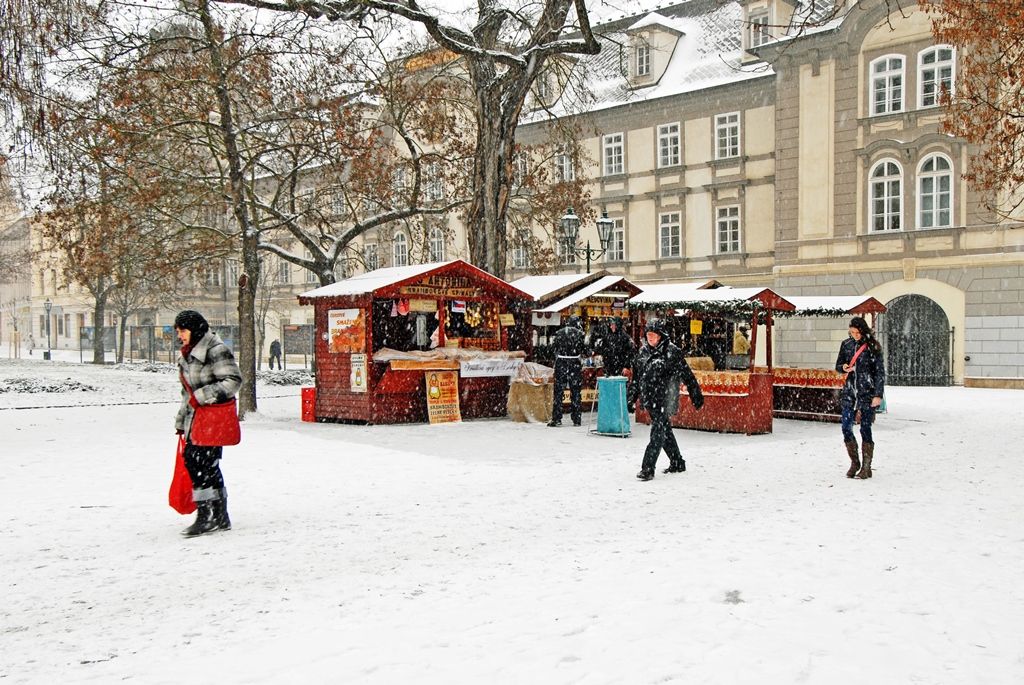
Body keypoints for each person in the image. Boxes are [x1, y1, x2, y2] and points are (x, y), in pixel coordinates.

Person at [174, 310, 242, 537]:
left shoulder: (215, 350)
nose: (179, 335)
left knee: (200, 463)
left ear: (195, 330)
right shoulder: (188, 353)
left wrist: (204, 396)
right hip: (196, 419)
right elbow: (187, 393)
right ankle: (219, 515)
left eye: (183, 330)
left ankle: (207, 515)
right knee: (205, 465)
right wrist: (181, 421)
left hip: (212, 418)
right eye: (178, 331)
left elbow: (233, 380)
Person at [634, 318, 704, 480]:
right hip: (649, 398)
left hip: (665, 398)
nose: (650, 338)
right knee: (664, 430)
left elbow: (687, 374)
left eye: (653, 335)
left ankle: (648, 468)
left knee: (657, 433)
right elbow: (638, 377)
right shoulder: (643, 352)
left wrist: (696, 394)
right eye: (648, 335)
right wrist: (632, 397)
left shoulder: (672, 352)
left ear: (660, 335)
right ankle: (677, 462)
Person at [835, 316, 885, 479]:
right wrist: (844, 367)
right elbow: (838, 366)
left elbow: (879, 372)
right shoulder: (847, 345)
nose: (855, 335)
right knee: (846, 427)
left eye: (857, 332)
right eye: (852, 332)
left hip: (867, 393)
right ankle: (855, 462)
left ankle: (866, 466)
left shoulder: (872, 347)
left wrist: (878, 394)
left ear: (863, 331)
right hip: (850, 392)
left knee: (865, 428)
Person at [548, 315, 586, 427]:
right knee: (576, 392)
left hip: (561, 363)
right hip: (574, 364)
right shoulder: (580, 334)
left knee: (559, 392)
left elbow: (552, 349)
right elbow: (584, 350)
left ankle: (557, 418)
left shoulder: (559, 333)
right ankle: (576, 418)